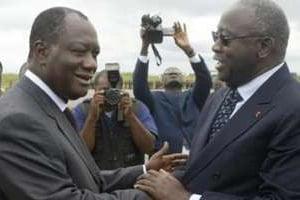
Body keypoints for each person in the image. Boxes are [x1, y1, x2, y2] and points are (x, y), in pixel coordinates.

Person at [0, 7, 187, 200]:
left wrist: (145, 170)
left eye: (95, 54)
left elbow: (90, 180)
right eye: (79, 52)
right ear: (42, 52)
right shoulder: (17, 120)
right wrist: (153, 194)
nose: (92, 64)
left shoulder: (52, 108)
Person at [135, 0, 300, 199]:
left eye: (225, 39)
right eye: (215, 36)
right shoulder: (221, 96)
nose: (215, 46)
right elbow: (203, 168)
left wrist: (188, 199)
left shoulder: (293, 109)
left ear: (263, 47)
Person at [133, 22, 212, 153]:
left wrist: (189, 50)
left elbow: (205, 81)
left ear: (184, 79)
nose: (173, 73)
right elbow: (139, 85)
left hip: (196, 157)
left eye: (177, 72)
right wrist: (145, 47)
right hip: (165, 160)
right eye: (168, 73)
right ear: (162, 80)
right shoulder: (154, 99)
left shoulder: (194, 97)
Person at [72, 69, 158, 170]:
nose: (110, 95)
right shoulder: (83, 110)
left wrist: (131, 116)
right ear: (95, 90)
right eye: (104, 90)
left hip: (132, 179)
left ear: (121, 90)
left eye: (114, 91)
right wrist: (92, 118)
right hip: (96, 179)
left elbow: (149, 148)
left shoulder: (137, 108)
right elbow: (80, 152)